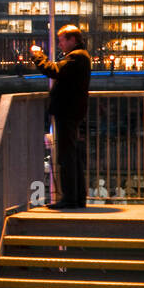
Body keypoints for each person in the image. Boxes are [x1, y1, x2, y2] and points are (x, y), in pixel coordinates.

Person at [28, 24, 92, 209]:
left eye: (62, 40)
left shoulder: (76, 57)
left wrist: (37, 55)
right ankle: (78, 197)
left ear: (72, 39)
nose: (60, 44)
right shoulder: (80, 57)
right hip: (72, 110)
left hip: (67, 111)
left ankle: (70, 199)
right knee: (72, 155)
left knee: (66, 156)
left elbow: (53, 70)